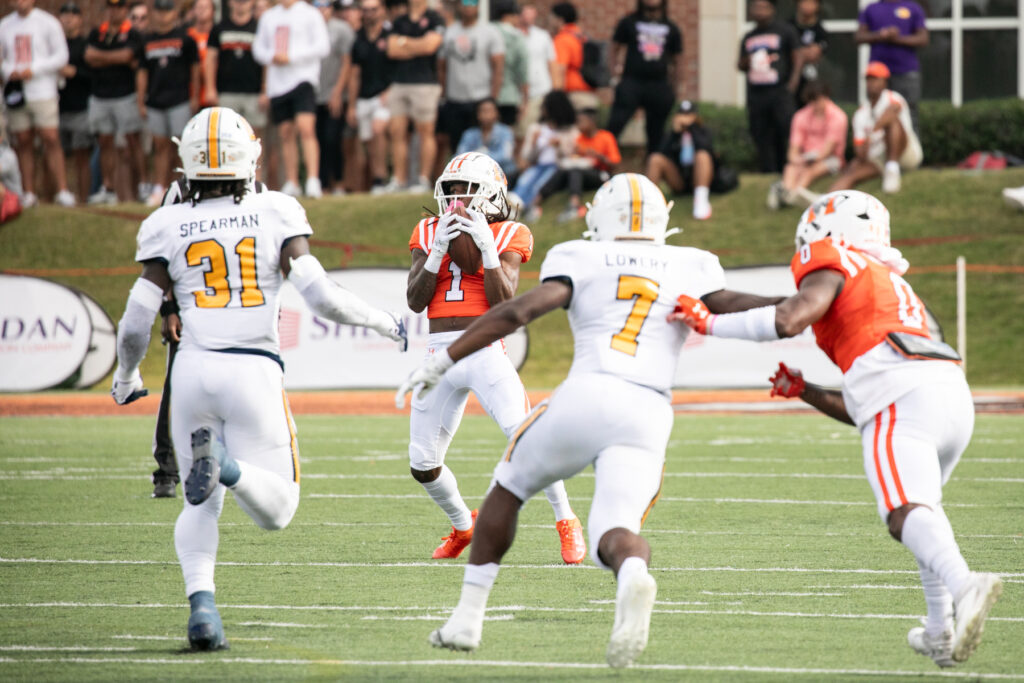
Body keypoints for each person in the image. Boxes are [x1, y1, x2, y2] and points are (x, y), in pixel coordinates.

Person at [398, 173, 781, 667]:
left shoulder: (578, 256)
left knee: (508, 487)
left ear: (599, 215)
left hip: (584, 395)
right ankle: (631, 573)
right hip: (647, 412)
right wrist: (802, 306)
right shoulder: (693, 264)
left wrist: (445, 359)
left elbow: (516, 312)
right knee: (615, 530)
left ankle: (468, 616)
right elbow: (756, 318)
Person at [110, 106, 407, 650]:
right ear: (252, 156)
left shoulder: (166, 222)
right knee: (278, 511)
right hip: (252, 368)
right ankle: (224, 466)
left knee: (197, 507)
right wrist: (385, 322)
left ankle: (203, 609)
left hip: (193, 371)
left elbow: (135, 318)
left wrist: (127, 375)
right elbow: (320, 297)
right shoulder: (275, 210)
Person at [670, 189, 1003, 669]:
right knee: (922, 516)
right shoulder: (889, 283)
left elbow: (788, 318)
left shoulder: (830, 257)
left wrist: (708, 324)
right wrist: (806, 390)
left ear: (828, 228)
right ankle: (939, 629)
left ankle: (966, 584)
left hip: (903, 398)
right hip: (951, 398)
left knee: (905, 513)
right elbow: (864, 407)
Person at [400, 151, 585, 564]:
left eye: (465, 189)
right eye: (450, 189)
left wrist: (485, 248)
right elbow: (415, 301)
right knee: (422, 463)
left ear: (488, 193)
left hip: (485, 350)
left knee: (526, 437)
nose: (456, 199)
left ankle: (566, 519)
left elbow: (505, 302)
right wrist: (435, 254)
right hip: (438, 354)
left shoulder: (510, 233)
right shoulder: (428, 229)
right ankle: (464, 525)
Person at [0, 0, 75, 208]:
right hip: (16, 92)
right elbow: (1, 59)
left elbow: (62, 56)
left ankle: (62, 191)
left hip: (42, 90)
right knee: (23, 140)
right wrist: (9, 71)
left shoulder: (47, 22)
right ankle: (29, 193)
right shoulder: (5, 25)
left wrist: (34, 68)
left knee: (50, 138)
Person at [253, 0, 330, 198]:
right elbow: (258, 49)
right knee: (286, 133)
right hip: (278, 85)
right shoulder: (269, 17)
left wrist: (292, 56)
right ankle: (292, 181)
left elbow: (322, 47)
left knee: (306, 128)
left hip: (303, 79)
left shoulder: (310, 14)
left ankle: (313, 179)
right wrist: (273, 56)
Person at [136, 0, 200, 207]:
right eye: (160, 11)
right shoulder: (147, 40)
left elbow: (195, 69)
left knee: (182, 146)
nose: (163, 15)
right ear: (155, 13)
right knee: (160, 146)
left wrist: (195, 96)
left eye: (167, 11)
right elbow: (142, 72)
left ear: (174, 13)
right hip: (155, 100)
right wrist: (141, 100)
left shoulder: (185, 38)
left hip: (179, 99)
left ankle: (187, 186)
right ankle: (159, 188)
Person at [84, 0, 146, 205]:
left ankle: (143, 186)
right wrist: (117, 58)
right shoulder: (97, 33)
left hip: (125, 95)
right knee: (105, 142)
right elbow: (89, 56)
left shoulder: (133, 33)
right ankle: (108, 188)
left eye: (119, 7)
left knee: (132, 141)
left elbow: (128, 55)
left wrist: (104, 58)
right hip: (100, 96)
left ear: (125, 9)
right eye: (111, 6)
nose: (115, 11)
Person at [829, 61, 920, 195]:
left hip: (905, 153)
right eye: (868, 79)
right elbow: (860, 153)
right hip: (878, 158)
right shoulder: (860, 113)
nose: (871, 83)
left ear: (885, 82)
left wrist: (872, 133)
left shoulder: (893, 97)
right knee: (852, 171)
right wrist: (862, 154)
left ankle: (892, 168)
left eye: (875, 78)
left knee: (892, 123)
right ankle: (825, 201)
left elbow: (892, 112)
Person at [606, 0, 683, 156]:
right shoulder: (629, 22)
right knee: (615, 125)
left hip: (659, 84)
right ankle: (602, 167)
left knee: (656, 134)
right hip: (631, 81)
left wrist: (676, 87)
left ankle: (652, 173)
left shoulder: (671, 27)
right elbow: (614, 48)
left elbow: (678, 59)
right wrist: (614, 76)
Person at [437, 0, 504, 172]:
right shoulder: (450, 32)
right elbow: (442, 66)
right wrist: (444, 93)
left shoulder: (490, 32)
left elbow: (498, 66)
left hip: (480, 98)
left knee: (481, 145)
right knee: (457, 145)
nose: (468, 7)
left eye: (472, 3)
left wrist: (492, 97)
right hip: (455, 99)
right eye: (464, 3)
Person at [385, 0, 444, 193]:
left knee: (425, 131)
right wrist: (418, 44)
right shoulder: (399, 20)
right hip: (400, 81)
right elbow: (392, 49)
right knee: (397, 131)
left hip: (425, 82)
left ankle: (423, 179)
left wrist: (405, 43)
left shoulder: (435, 18)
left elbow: (430, 47)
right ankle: (399, 179)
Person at [738, 0, 802, 174]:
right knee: (760, 131)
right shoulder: (748, 36)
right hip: (757, 92)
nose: (759, 11)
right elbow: (741, 65)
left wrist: (792, 85)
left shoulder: (785, 31)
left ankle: (786, 168)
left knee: (784, 129)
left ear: (772, 9)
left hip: (780, 91)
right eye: (755, 7)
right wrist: (748, 60)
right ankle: (767, 170)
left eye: (763, 7)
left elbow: (797, 58)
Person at [205, 0, 266, 180]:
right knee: (227, 140)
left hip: (253, 92)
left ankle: (256, 182)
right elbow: (210, 59)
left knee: (255, 141)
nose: (241, 4)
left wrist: (265, 89)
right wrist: (210, 88)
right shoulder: (219, 28)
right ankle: (229, 180)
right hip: (226, 92)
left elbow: (266, 63)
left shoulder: (259, 27)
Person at [770, 80, 847, 209]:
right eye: (812, 101)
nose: (815, 105)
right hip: (806, 157)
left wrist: (809, 160)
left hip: (831, 159)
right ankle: (788, 194)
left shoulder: (838, 116)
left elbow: (827, 150)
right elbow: (793, 150)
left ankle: (791, 194)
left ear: (826, 96)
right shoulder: (800, 116)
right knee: (790, 168)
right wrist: (797, 159)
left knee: (809, 171)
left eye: (818, 100)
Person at [535, 106, 619, 223]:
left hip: (602, 174)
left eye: (581, 122)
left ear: (592, 122)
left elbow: (614, 164)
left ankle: (574, 206)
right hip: (584, 174)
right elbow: (575, 159)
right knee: (563, 171)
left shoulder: (605, 137)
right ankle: (536, 203)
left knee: (575, 171)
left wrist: (598, 156)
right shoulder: (580, 139)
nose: (578, 125)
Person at [856, 0, 927, 135]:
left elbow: (923, 39)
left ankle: (912, 155)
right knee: (875, 112)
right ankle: (875, 153)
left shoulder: (912, 7)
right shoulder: (871, 8)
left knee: (909, 114)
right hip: (877, 74)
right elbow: (858, 36)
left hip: (906, 72)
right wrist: (880, 35)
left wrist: (896, 38)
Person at [509, 89, 577, 221]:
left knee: (538, 185)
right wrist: (534, 144)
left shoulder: (570, 131)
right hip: (537, 165)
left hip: (556, 168)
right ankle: (512, 206)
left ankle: (526, 208)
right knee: (525, 181)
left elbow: (572, 155)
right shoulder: (536, 129)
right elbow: (527, 156)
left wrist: (559, 146)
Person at [347, 0, 392, 195]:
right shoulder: (358, 38)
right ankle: (375, 180)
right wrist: (351, 105)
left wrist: (390, 91)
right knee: (366, 142)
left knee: (378, 131)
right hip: (363, 96)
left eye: (374, 10)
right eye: (366, 10)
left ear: (382, 11)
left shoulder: (391, 35)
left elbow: (398, 68)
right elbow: (355, 73)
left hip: (384, 95)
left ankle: (381, 178)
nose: (370, 14)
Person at [645, 99, 714, 220]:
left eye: (689, 115)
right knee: (655, 159)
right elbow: (662, 153)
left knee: (702, 155)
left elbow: (706, 148)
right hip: (679, 179)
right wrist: (675, 134)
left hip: (699, 179)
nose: (685, 118)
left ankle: (701, 200)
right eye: (682, 114)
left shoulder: (703, 131)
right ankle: (646, 202)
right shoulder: (673, 134)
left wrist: (692, 128)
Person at [314, 0, 355, 196]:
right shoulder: (308, 28)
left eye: (326, 7)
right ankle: (322, 185)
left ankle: (338, 182)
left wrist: (338, 92)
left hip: (334, 94)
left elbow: (347, 63)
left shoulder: (341, 29)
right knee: (318, 141)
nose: (323, 11)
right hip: (313, 94)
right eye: (319, 7)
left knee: (333, 139)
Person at [57, 1, 92, 204]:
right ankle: (57, 196)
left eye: (73, 14)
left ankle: (83, 198)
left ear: (80, 19)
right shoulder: (55, 44)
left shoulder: (85, 44)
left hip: (80, 106)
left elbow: (93, 76)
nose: (68, 18)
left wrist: (75, 72)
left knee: (81, 156)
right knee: (55, 154)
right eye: (64, 14)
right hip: (58, 106)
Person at [517, 3, 559, 135]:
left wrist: (556, 90)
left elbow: (552, 64)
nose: (528, 18)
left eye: (531, 14)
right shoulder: (513, 36)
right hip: (519, 93)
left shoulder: (543, 36)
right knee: (521, 132)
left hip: (540, 91)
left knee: (538, 130)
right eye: (525, 14)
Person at [550, 2, 596, 112]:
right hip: (590, 94)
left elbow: (560, 69)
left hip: (574, 97)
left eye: (551, 17)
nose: (549, 21)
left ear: (559, 19)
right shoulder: (582, 36)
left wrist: (557, 99)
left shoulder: (562, 39)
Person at [456, 98, 516, 181]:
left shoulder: (506, 132)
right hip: (473, 173)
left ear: (496, 113)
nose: (486, 114)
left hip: (501, 173)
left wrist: (482, 157)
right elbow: (459, 155)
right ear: (477, 114)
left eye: (489, 111)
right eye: (483, 111)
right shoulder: (469, 134)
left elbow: (506, 156)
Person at [492, 1, 527, 128]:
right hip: (509, 95)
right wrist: (525, 99)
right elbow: (523, 70)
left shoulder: (488, 31)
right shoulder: (516, 36)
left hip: (485, 95)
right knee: (506, 136)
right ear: (509, 15)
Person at [790, 0, 828, 107]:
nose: (808, 5)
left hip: (811, 83)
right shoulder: (788, 27)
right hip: (788, 83)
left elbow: (814, 54)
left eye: (812, 2)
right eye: (804, 1)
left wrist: (797, 52)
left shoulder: (820, 30)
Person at [186, 0, 214, 109]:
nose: (202, 10)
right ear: (193, 11)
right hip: (190, 93)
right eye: (199, 7)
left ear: (213, 11)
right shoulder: (186, 35)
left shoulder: (218, 34)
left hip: (212, 93)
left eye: (206, 7)